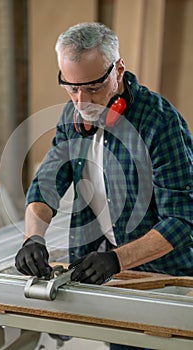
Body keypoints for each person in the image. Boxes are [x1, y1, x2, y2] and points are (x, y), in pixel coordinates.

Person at [15, 22, 193, 350]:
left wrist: (116, 260)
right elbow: (47, 184)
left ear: (118, 70)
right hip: (114, 277)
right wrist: (32, 237)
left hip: (163, 280)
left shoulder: (160, 124)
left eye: (94, 88)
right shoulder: (73, 115)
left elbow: (183, 221)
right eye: (71, 88)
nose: (82, 101)